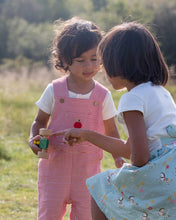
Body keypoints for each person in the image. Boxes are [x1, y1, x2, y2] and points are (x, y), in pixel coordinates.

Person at [57, 22, 176, 219]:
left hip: (163, 179)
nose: (103, 70)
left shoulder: (132, 99)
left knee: (100, 188)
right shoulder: (160, 92)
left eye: (105, 62)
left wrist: (127, 169)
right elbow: (133, 148)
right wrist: (87, 135)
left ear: (119, 64)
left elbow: (138, 157)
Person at [28, 17, 125, 220]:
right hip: (54, 172)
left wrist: (118, 155)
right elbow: (39, 121)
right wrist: (34, 139)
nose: (89, 65)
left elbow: (111, 130)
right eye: (81, 60)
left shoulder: (103, 95)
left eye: (94, 58)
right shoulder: (54, 90)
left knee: (86, 215)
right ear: (64, 61)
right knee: (49, 215)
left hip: (88, 173)